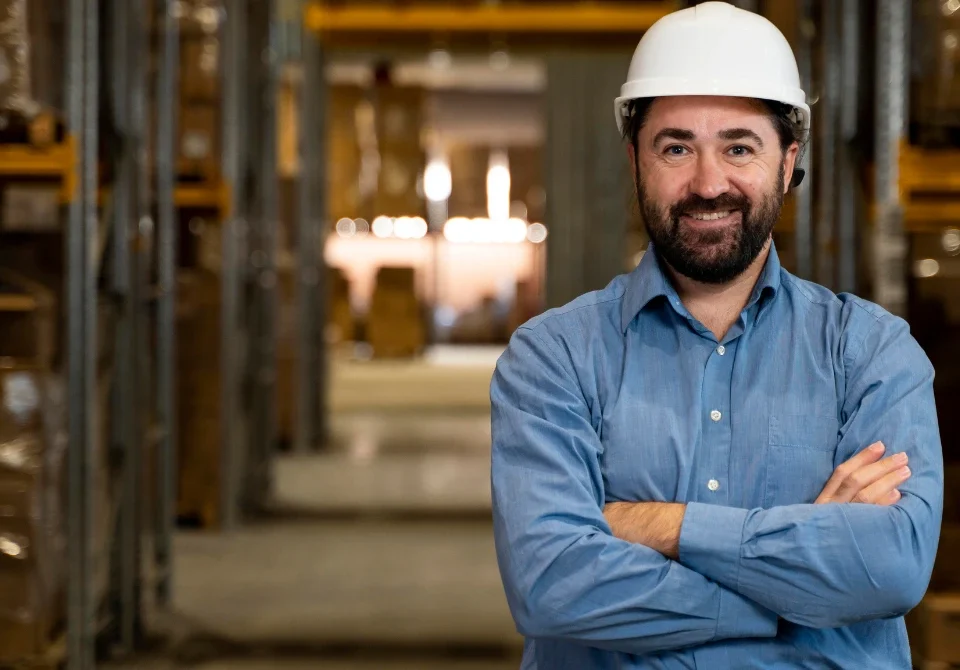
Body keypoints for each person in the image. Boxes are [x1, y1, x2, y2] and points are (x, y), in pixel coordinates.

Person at [489, 2, 944, 669]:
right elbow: (551, 584)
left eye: (739, 148)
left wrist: (662, 526)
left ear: (787, 162)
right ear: (635, 160)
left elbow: (891, 567)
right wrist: (796, 596)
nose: (708, 184)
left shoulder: (871, 353)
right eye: (676, 148)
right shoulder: (554, 358)